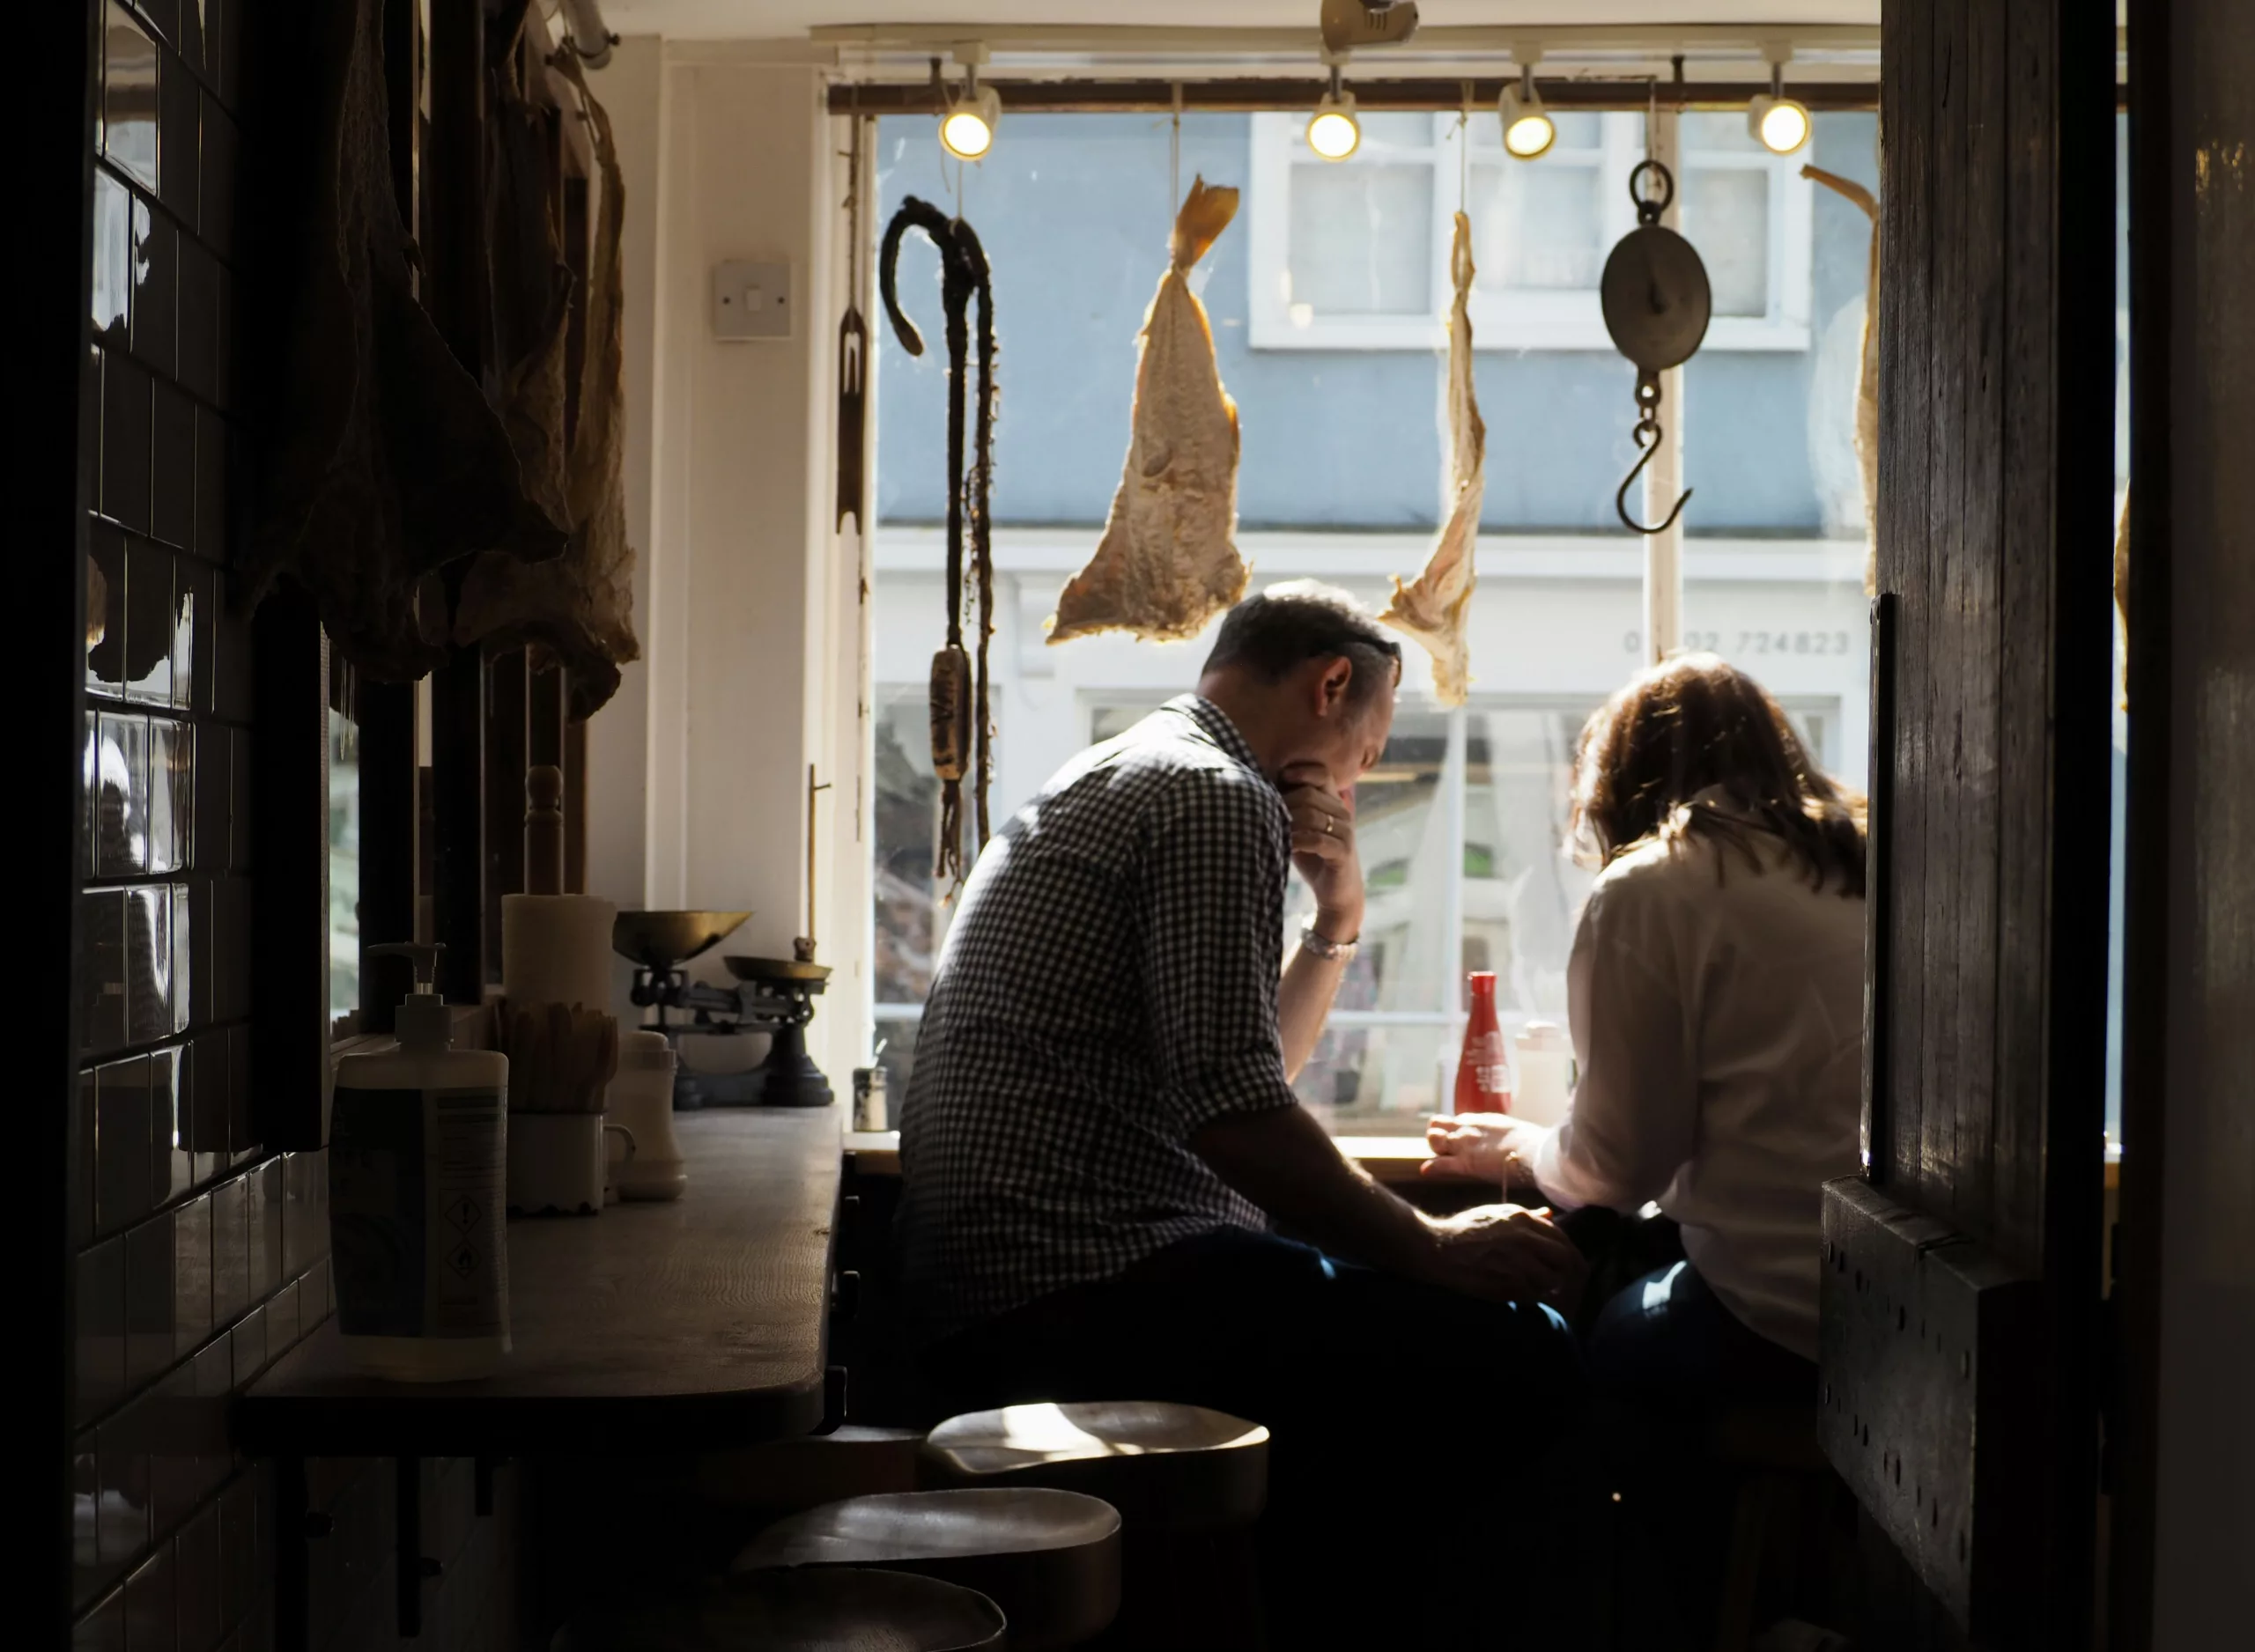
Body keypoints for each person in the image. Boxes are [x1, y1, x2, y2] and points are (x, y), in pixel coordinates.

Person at [897, 584, 1586, 1648]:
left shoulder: (1132, 768)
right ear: (1332, 685)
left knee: (1383, 1379)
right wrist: (1430, 1248)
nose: (1364, 772)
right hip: (1085, 1288)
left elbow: (1240, 1070)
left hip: (997, 1288)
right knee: (1524, 1352)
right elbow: (1233, 1116)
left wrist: (1337, 918)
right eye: (1374, 742)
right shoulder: (1217, 795)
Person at [1424, 653, 1867, 1403]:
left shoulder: (1653, 885)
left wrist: (1521, 1149)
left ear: (1617, 778)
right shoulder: (1859, 861)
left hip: (1775, 1302)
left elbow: (1619, 1169)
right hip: (1905, 1300)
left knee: (1582, 1345)